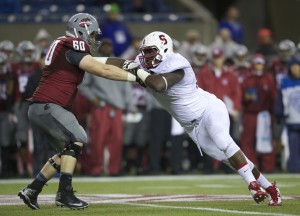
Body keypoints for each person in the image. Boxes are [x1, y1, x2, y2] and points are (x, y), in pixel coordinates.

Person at [128, 31, 282, 206]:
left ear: (163, 49)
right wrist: (93, 64)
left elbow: (157, 84)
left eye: (151, 51)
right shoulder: (142, 63)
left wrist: (136, 72)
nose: (146, 55)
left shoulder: (177, 62)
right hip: (192, 126)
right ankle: (270, 188)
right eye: (145, 51)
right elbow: (118, 67)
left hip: (208, 108)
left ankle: (253, 186)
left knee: (223, 141)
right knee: (235, 160)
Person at [18, 13, 138, 210]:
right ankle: (64, 193)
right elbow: (102, 70)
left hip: (42, 107)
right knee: (79, 137)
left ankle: (32, 190)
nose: (93, 39)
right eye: (91, 34)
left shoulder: (66, 45)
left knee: (67, 152)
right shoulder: (72, 44)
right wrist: (136, 78)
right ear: (81, 30)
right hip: (48, 105)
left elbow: (104, 62)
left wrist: (128, 64)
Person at [240, 54, 277, 173]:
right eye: (257, 63)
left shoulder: (268, 78)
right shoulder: (248, 78)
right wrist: (246, 99)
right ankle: (252, 167)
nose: (258, 66)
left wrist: (272, 113)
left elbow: (273, 97)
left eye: (260, 63)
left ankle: (268, 167)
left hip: (264, 114)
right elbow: (241, 97)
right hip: (250, 113)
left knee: (266, 140)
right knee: (247, 141)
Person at [274, 56, 300, 173]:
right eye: (293, 66)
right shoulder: (285, 82)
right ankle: (293, 169)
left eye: (297, 66)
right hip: (292, 121)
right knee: (292, 147)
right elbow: (280, 99)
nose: (295, 69)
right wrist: (279, 113)